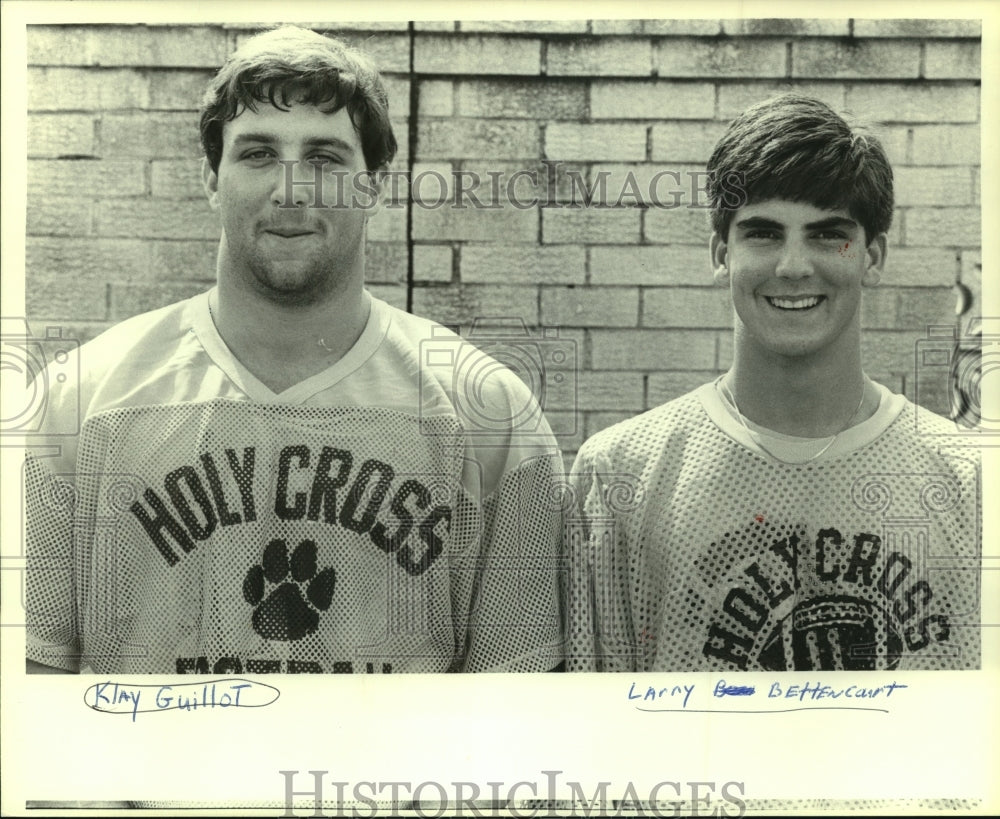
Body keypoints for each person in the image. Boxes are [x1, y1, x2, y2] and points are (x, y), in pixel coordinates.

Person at [25, 25, 564, 674]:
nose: (292, 189)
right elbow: (33, 698)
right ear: (209, 178)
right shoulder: (75, 406)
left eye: (326, 158)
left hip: (380, 781)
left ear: (373, 184)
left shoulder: (490, 418)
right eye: (257, 153)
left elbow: (515, 718)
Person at [565, 93, 980, 672]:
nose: (792, 266)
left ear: (873, 256)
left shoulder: (975, 484)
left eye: (826, 234)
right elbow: (595, 732)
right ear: (720, 253)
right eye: (763, 234)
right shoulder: (618, 477)